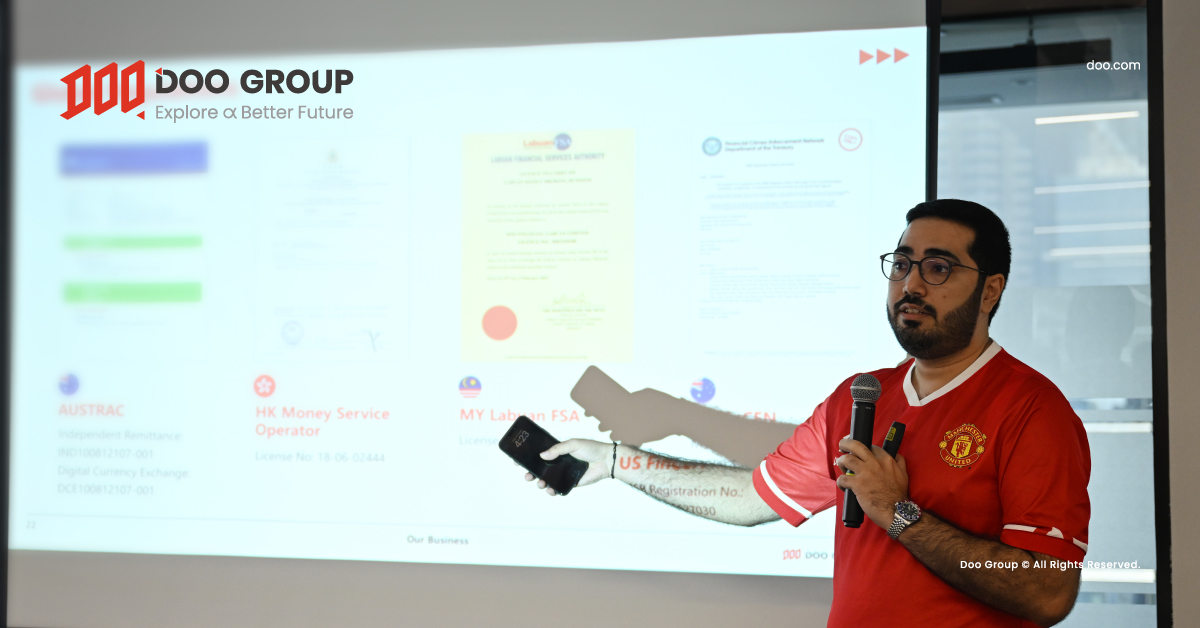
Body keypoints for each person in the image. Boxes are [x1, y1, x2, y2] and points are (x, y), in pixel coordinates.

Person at [523, 199, 1091, 628]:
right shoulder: (860, 396)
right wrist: (617, 461)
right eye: (902, 264)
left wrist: (897, 514)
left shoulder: (1031, 409)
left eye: (938, 268)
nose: (911, 284)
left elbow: (1046, 592)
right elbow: (750, 499)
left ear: (990, 291)